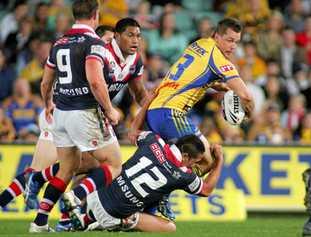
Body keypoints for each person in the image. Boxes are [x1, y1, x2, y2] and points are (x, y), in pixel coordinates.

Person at [129, 17, 254, 220]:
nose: (233, 46)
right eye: (229, 40)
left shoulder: (199, 44)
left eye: (237, 42)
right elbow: (246, 96)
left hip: (155, 111)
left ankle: (148, 209)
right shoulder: (219, 59)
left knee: (164, 164)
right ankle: (163, 194)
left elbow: (191, 75)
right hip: (172, 113)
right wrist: (250, 111)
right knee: (208, 160)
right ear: (217, 36)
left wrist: (215, 85)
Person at [29, 0, 121, 232]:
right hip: (84, 113)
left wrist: (48, 103)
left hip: (61, 113)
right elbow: (95, 81)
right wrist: (109, 109)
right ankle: (75, 196)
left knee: (67, 169)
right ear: (95, 15)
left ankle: (39, 222)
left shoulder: (59, 43)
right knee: (114, 163)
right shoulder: (94, 43)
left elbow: (45, 82)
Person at [62, 131, 223, 232]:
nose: (193, 166)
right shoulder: (183, 175)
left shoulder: (154, 139)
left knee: (106, 168)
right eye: (194, 161)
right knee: (170, 228)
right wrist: (219, 160)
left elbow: (133, 134)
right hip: (112, 213)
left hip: (95, 194)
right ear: (186, 156)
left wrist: (146, 104)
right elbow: (207, 189)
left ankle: (84, 218)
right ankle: (120, 222)